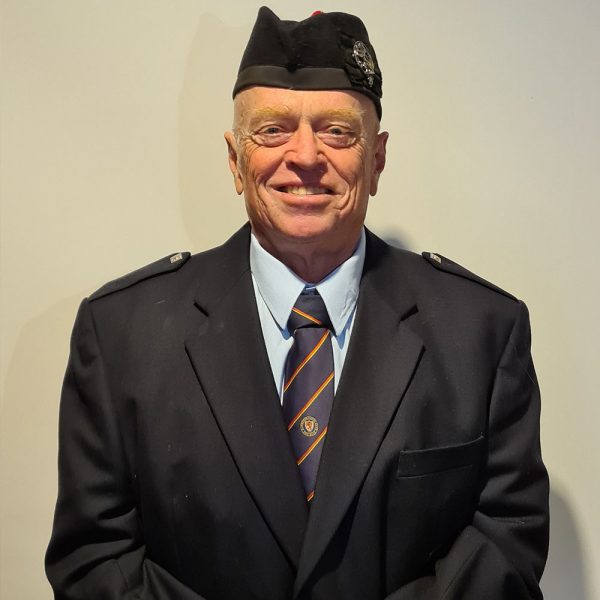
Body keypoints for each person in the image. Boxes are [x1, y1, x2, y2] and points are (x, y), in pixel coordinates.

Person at [46, 7, 549, 599]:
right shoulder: (122, 336)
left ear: (376, 160)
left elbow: (507, 540)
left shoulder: (482, 333)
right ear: (235, 161)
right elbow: (93, 557)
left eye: (337, 131)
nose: (306, 156)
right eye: (272, 130)